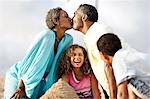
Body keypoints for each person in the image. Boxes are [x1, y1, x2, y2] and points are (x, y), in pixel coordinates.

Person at [4, 7, 73, 99]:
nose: (70, 18)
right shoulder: (46, 36)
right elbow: (27, 62)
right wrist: (20, 87)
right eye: (66, 16)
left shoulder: (67, 40)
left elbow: (61, 66)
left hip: (40, 80)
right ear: (56, 21)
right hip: (20, 75)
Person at [97, 33, 150, 99]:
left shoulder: (118, 60)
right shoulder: (125, 56)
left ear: (102, 55)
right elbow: (132, 92)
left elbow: (122, 94)